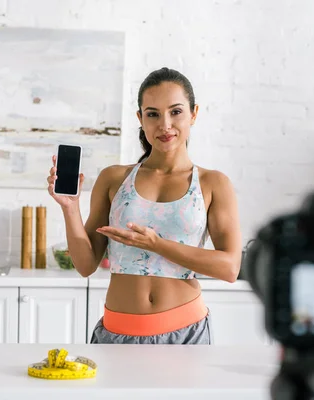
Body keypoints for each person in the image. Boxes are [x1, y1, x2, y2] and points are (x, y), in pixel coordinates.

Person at [47, 67, 242, 344]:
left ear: (193, 114)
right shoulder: (114, 178)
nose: (165, 125)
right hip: (117, 333)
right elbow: (86, 264)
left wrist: (156, 244)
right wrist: (70, 207)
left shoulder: (213, 183)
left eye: (175, 112)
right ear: (140, 118)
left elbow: (230, 268)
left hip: (185, 333)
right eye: (152, 114)